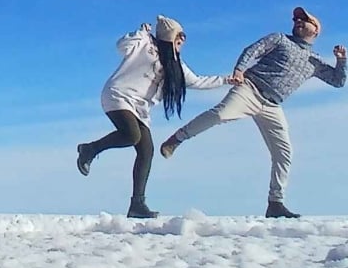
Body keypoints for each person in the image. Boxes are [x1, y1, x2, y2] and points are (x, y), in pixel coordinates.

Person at [159, 6, 347, 218]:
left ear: (315, 30)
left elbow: (337, 81)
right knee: (221, 114)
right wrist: (239, 69)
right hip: (250, 88)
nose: (298, 22)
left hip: (272, 105)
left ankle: (275, 204)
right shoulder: (280, 39)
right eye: (296, 19)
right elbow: (253, 49)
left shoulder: (316, 61)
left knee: (284, 153)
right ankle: (176, 139)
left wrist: (341, 60)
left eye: (304, 20)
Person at [76, 15, 233, 219]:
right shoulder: (146, 43)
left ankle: (137, 205)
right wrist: (140, 33)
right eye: (180, 35)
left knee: (146, 150)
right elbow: (121, 45)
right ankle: (89, 149)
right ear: (169, 36)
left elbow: (198, 81)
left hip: (140, 108)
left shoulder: (175, 65)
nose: (183, 40)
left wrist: (227, 80)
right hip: (119, 95)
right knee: (132, 135)